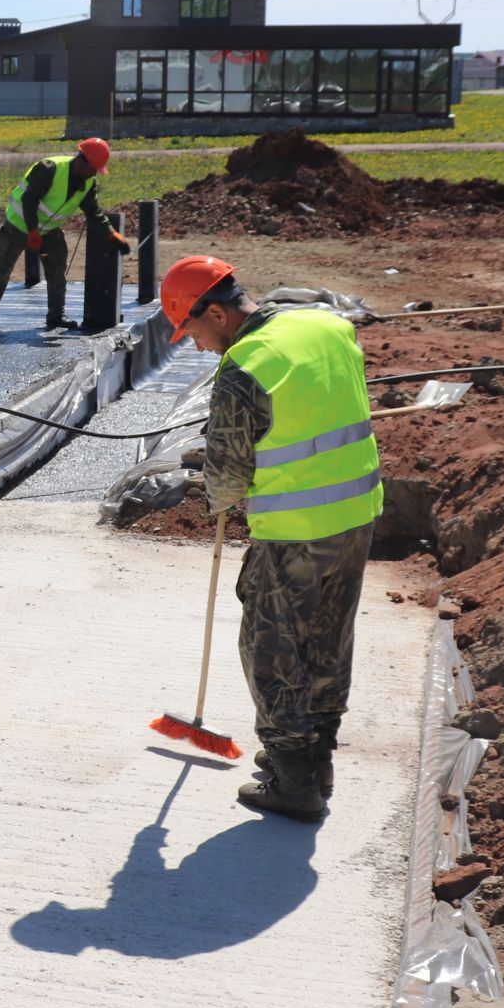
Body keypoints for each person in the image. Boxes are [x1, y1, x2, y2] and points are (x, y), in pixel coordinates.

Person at [163, 256, 382, 822]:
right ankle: (318, 757)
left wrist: (213, 495)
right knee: (330, 637)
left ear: (217, 313)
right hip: (357, 513)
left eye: (194, 332)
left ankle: (292, 779)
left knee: (272, 648)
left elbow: (230, 476)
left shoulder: (245, 367)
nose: (197, 346)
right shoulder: (327, 325)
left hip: (294, 530)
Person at [0, 138, 128, 331]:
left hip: (47, 230)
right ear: (82, 160)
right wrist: (32, 232)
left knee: (57, 266)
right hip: (19, 223)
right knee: (4, 264)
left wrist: (112, 234)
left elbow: (94, 213)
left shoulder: (88, 183)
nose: (93, 173)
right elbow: (29, 199)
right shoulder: (49, 169)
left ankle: (56, 315)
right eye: (92, 168)